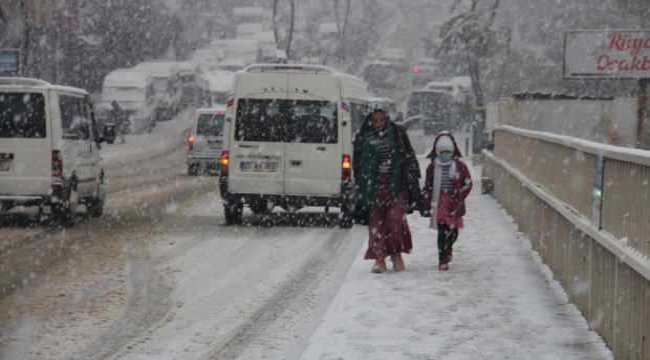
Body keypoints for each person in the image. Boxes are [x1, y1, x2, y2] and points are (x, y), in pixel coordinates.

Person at [353, 109, 422, 273]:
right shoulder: (364, 137)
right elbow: (359, 164)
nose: (378, 124)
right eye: (375, 121)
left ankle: (396, 254)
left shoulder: (397, 135)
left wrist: (411, 177)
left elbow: (408, 157)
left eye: (382, 120)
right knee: (376, 225)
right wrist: (363, 186)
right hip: (374, 188)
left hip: (397, 186)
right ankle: (379, 258)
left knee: (394, 221)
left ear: (387, 120)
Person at [422, 132, 473, 271]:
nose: (445, 154)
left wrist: (459, 194)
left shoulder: (460, 166)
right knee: (442, 232)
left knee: (454, 231)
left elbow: (468, 183)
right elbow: (427, 186)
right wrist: (426, 201)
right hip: (439, 203)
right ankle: (442, 259)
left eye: (448, 152)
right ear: (437, 151)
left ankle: (448, 247)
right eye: (442, 152)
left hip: (455, 203)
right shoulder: (433, 167)